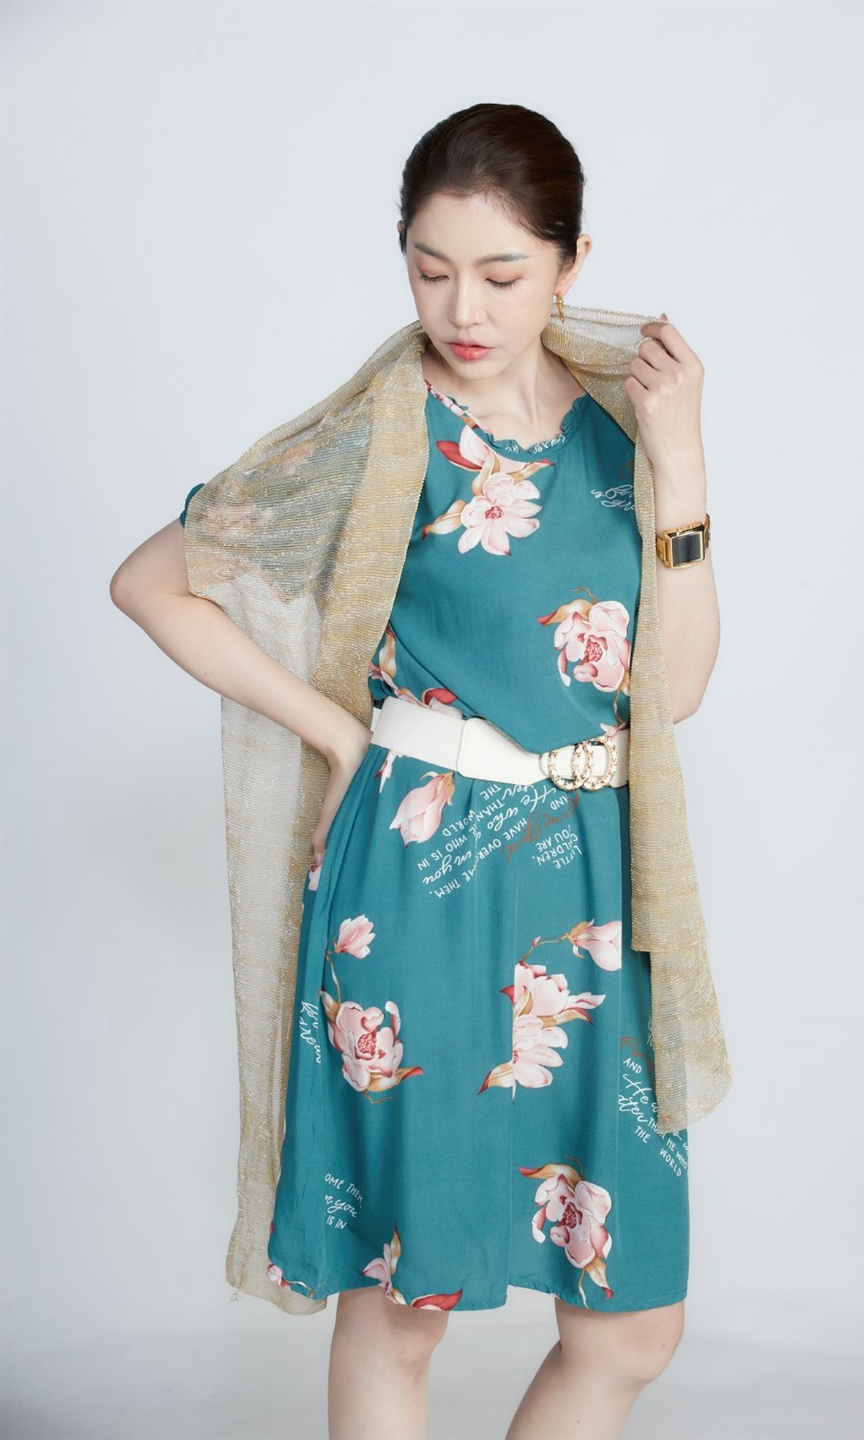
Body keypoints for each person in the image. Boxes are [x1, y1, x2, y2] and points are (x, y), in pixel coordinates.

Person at [111, 102, 732, 1440]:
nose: (463, 308)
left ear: (572, 261)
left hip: (593, 890)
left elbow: (672, 691)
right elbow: (153, 581)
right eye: (430, 268)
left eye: (502, 273)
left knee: (632, 1326)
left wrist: (680, 457)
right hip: (421, 880)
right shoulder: (382, 431)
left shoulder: (624, 429)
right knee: (406, 1302)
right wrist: (341, 735)